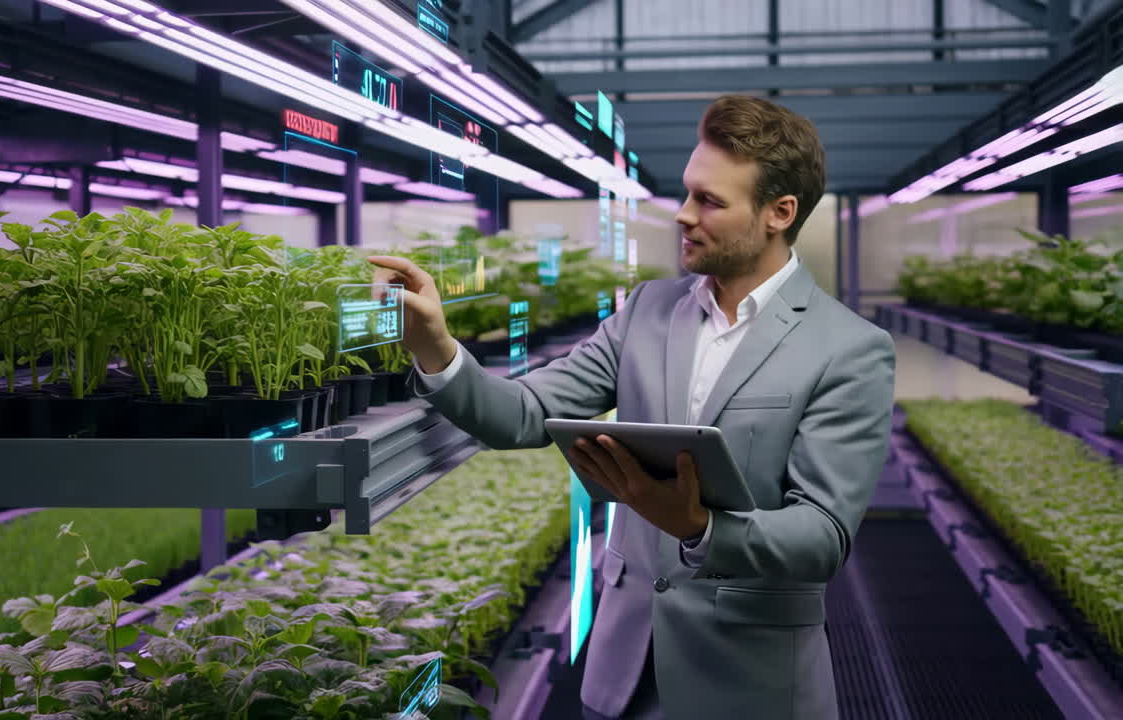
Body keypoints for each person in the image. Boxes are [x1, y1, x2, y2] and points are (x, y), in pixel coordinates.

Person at [368, 94, 896, 719]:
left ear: (780, 213)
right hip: (623, 671)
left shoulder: (849, 349)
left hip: (750, 686)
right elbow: (524, 412)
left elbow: (822, 537)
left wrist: (698, 527)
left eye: (710, 201)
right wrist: (437, 347)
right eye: (687, 192)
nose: (682, 215)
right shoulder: (648, 310)